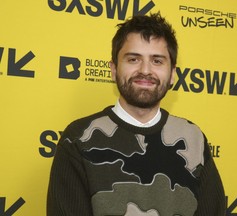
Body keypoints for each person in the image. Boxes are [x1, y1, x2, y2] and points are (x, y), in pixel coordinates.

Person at [47, 12, 226, 216]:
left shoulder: (193, 138)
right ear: (114, 69)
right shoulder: (77, 139)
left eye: (157, 61)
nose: (145, 70)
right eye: (133, 59)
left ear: (172, 75)